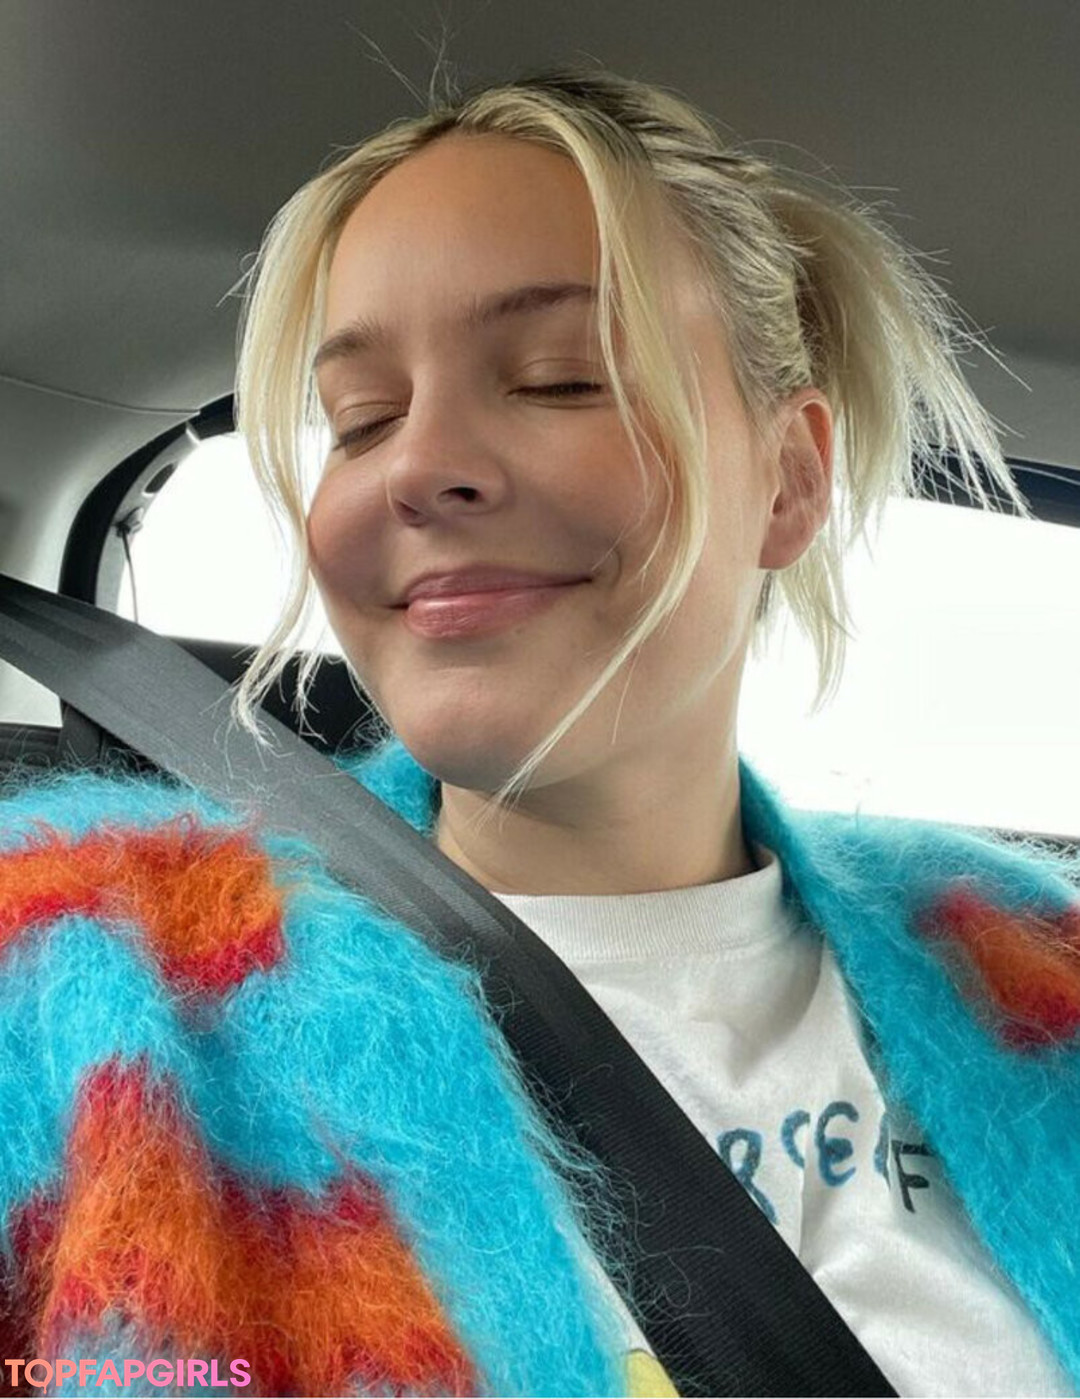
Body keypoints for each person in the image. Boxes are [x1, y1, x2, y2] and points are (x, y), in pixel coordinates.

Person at [0, 63, 1078, 1399]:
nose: (415, 466)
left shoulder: (1037, 971)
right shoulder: (77, 958)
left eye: (562, 381)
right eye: (361, 421)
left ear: (789, 481)